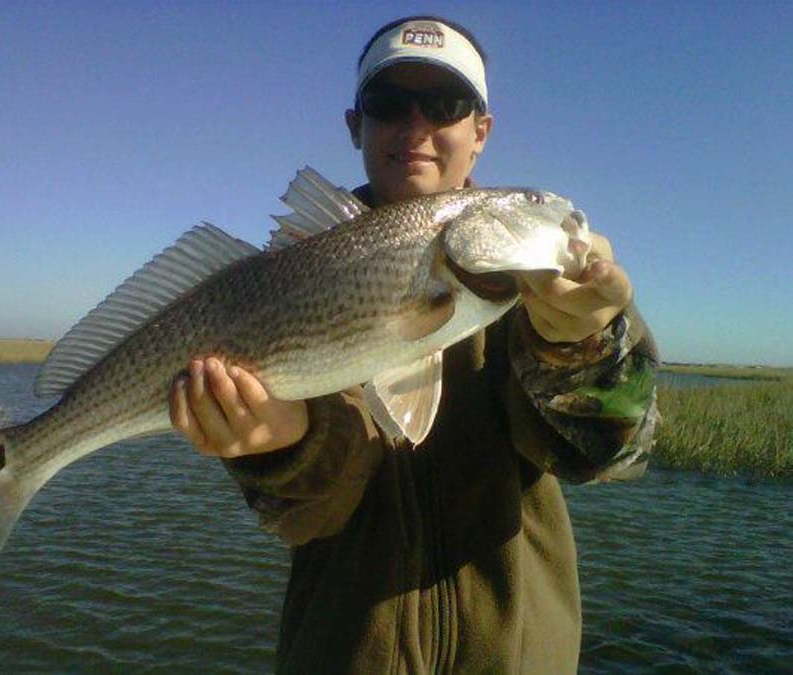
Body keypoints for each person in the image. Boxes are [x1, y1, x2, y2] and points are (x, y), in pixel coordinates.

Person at [169, 16, 659, 674]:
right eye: (389, 103)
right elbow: (312, 514)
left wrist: (581, 346)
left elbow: (609, 456)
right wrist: (286, 443)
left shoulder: (542, 297)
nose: (416, 125)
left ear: (480, 133)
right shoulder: (294, 275)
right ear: (356, 127)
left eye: (446, 104)